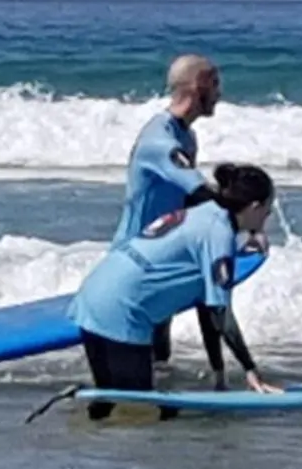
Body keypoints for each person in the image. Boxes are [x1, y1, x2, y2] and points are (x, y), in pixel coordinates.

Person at [70, 163, 280, 420]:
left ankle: (78, 433)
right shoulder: (219, 236)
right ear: (255, 207)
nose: (267, 217)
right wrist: (250, 369)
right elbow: (219, 313)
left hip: (95, 291)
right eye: (267, 211)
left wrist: (219, 373)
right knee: (145, 410)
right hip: (123, 310)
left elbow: (207, 305)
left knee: (110, 400)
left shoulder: (204, 212)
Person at [115, 54, 230, 367]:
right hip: (133, 260)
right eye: (215, 83)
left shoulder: (186, 135)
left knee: (159, 351)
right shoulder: (161, 141)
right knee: (144, 353)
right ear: (197, 85)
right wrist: (245, 208)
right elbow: (201, 192)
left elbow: (190, 201)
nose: (219, 93)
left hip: (158, 255)